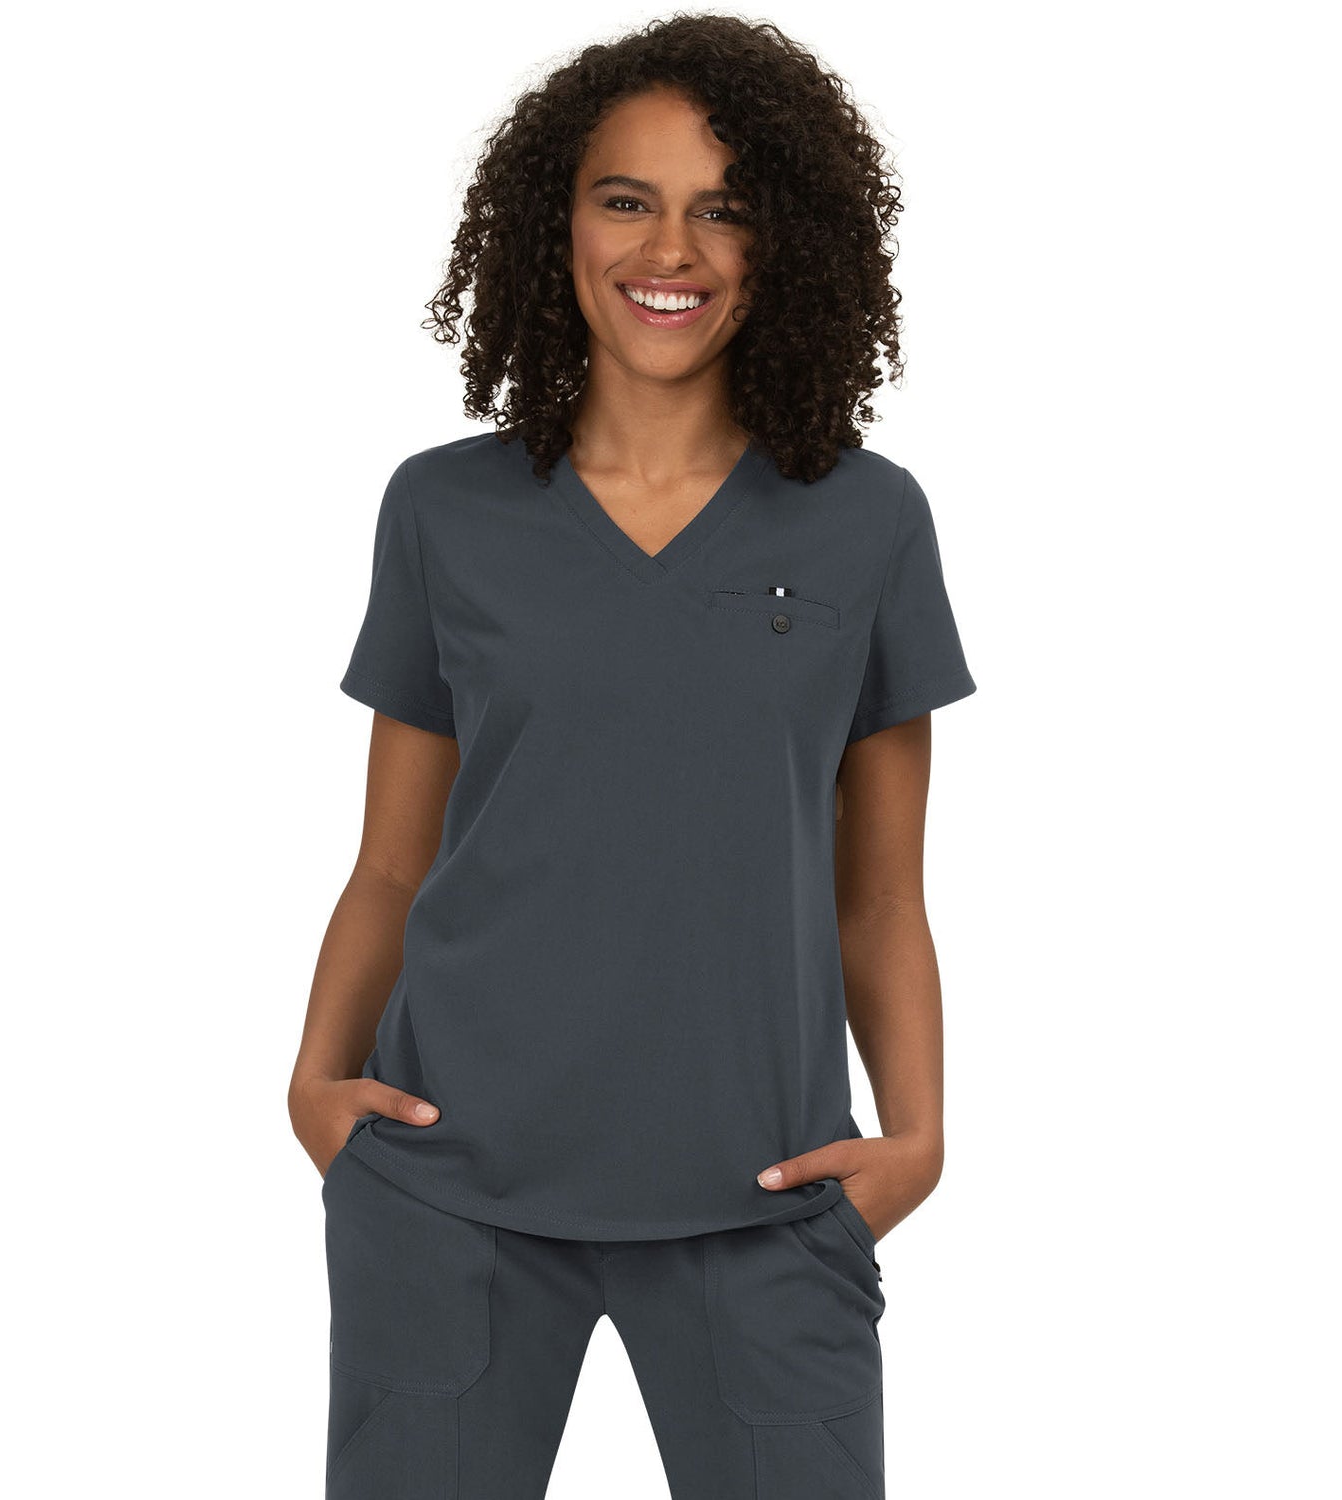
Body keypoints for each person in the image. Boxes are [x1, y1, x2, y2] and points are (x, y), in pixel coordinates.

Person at [287, 15, 977, 1498]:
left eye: (724, 208)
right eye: (627, 199)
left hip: (769, 1198)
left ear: (786, 242)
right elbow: (394, 863)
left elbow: (880, 897)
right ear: (559, 224)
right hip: (449, 1188)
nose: (672, 249)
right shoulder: (444, 511)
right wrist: (316, 1090)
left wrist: (916, 1139)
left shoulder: (868, 520)